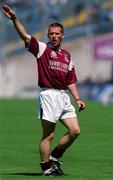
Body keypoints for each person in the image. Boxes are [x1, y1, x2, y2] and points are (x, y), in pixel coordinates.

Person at [2, 4, 85, 176]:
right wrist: (14, 19)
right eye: (51, 34)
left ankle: (55, 156)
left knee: (75, 130)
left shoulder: (67, 55)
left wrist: (77, 99)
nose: (54, 36)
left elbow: (70, 80)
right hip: (49, 95)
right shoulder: (42, 49)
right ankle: (46, 167)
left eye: (57, 34)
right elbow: (24, 35)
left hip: (63, 97)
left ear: (62, 35)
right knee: (49, 135)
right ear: (48, 35)